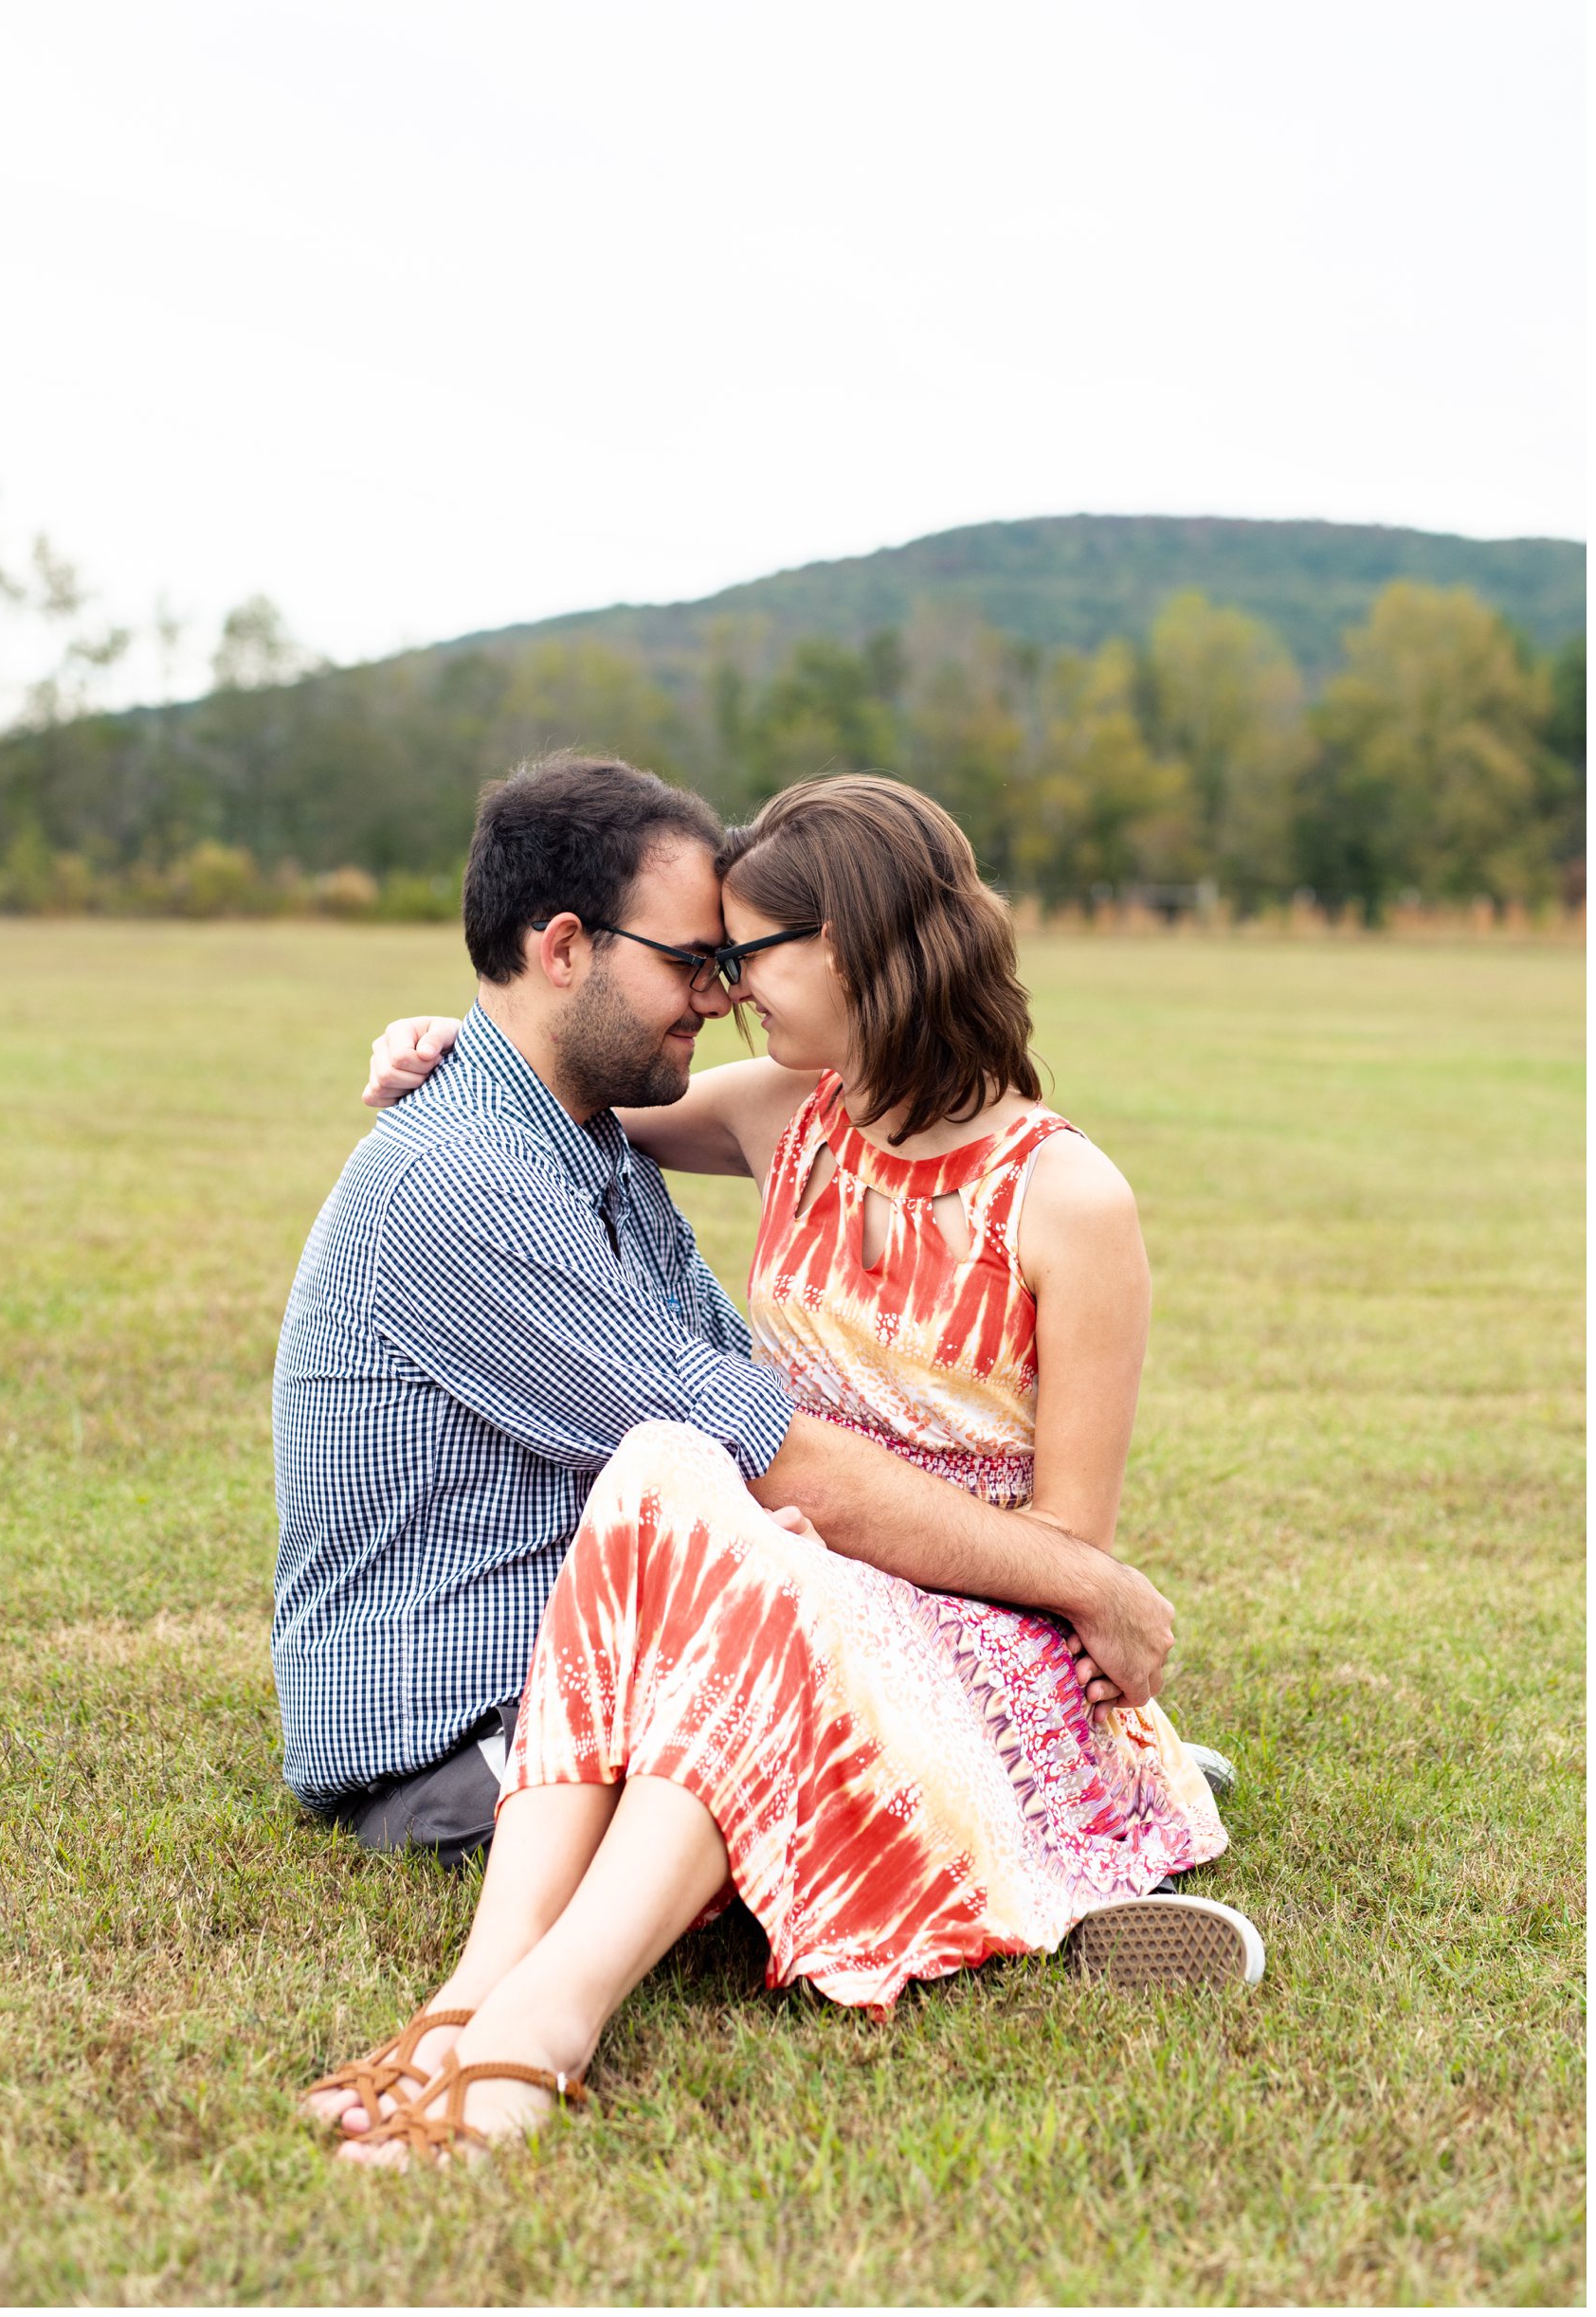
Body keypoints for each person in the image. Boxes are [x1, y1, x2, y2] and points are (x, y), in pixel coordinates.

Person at [303, 766, 1262, 2170]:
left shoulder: (1068, 1199)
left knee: (743, 1528)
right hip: (753, 1585)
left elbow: (1062, 1552)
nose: (727, 992)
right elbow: (563, 1097)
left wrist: (1092, 1594)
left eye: (739, 957)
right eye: (700, 962)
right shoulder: (773, 1118)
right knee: (675, 1465)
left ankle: (544, 2021)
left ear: (857, 947)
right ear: (566, 945)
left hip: (950, 1612)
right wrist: (467, 1036)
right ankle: (473, 2003)